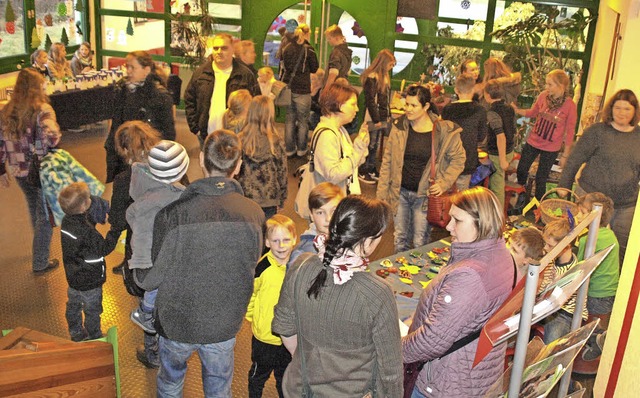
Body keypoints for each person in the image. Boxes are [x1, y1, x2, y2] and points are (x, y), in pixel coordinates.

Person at [140, 130, 265, 397]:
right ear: (239, 165)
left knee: (171, 383)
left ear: (200, 160)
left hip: (177, 323)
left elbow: (155, 270)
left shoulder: (172, 215)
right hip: (223, 323)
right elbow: (252, 261)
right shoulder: (254, 214)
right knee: (219, 389)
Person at [272, 196, 403, 397]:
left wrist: (310, 362)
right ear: (367, 241)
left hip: (300, 387)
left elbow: (284, 327)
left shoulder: (301, 265)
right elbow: (390, 370)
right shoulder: (377, 293)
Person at [403, 186, 515, 397]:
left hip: (444, 381)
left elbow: (431, 341)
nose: (448, 226)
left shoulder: (470, 275)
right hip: (472, 375)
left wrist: (394, 349)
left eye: (458, 220)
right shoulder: (501, 253)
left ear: (481, 222)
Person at [376, 84, 465, 253]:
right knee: (399, 239)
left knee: (419, 242)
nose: (408, 109)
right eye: (407, 104)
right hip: (400, 192)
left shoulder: (442, 130)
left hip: (425, 197)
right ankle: (397, 277)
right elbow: (387, 161)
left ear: (425, 106)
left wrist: (443, 183)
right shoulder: (399, 126)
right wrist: (381, 195)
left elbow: (459, 160)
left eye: (413, 105)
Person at [126, 140, 189, 368]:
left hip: (151, 265)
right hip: (161, 266)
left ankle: (152, 355)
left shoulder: (143, 193)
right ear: (183, 170)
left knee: (152, 313)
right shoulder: (181, 198)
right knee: (158, 308)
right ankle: (166, 355)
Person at [558, 89, 640, 265]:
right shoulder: (597, 132)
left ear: (635, 111)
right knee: (581, 242)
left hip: (625, 205)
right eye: (618, 108)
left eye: (627, 109)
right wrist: (564, 187)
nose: (622, 113)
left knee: (620, 248)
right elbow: (574, 159)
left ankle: (612, 287)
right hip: (589, 199)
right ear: (611, 109)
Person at [0, 68, 61, 274]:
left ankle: (39, 246)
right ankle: (40, 261)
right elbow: (52, 138)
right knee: (45, 216)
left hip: (19, 172)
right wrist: (53, 131)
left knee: (33, 207)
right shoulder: (42, 110)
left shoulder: (6, 110)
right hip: (39, 171)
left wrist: (2, 169)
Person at [58, 182, 119, 341]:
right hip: (91, 280)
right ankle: (94, 335)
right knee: (92, 310)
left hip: (73, 277)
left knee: (73, 306)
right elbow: (104, 248)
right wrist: (115, 231)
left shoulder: (66, 222)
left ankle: (76, 332)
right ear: (83, 207)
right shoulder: (87, 232)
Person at [104, 50, 176, 183]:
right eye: (127, 66)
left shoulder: (160, 96)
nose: (128, 71)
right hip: (121, 153)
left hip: (144, 156)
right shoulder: (121, 90)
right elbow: (115, 122)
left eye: (133, 67)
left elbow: (168, 132)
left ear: (146, 70)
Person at [246, 214, 297, 398]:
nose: (281, 245)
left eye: (286, 240)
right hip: (264, 337)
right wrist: (254, 317)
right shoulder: (261, 267)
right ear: (267, 242)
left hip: (288, 337)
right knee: (259, 374)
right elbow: (250, 294)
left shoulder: (297, 267)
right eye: (275, 241)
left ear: (294, 240)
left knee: (284, 375)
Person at [184, 33, 260, 146]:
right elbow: (189, 99)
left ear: (232, 50)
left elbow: (256, 103)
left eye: (224, 48)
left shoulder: (245, 75)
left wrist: (248, 130)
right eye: (215, 48)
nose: (219, 51)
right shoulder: (201, 73)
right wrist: (196, 128)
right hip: (206, 135)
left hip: (236, 137)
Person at [513, 69, 577, 202]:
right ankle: (522, 196)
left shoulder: (570, 105)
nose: (546, 87)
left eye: (550, 84)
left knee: (541, 178)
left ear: (561, 86)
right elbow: (532, 112)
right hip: (533, 141)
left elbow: (570, 131)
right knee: (522, 169)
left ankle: (537, 207)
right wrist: (517, 110)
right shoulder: (543, 96)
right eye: (546, 84)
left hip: (551, 148)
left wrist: (565, 155)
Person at [108, 121, 161, 275]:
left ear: (125, 149)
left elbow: (118, 219)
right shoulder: (167, 165)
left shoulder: (125, 179)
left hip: (141, 242)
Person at [306, 83, 369, 200]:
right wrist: (357, 151)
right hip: (328, 206)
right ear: (339, 104)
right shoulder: (327, 135)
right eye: (353, 104)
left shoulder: (340, 130)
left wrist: (362, 145)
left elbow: (353, 164)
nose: (357, 109)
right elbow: (334, 175)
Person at [236, 96, 288, 219]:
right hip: (269, 199)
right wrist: (282, 198)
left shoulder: (239, 140)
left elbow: (234, 172)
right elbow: (282, 173)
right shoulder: (277, 142)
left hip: (245, 197)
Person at [540, 219, 583, 344]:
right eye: (545, 243)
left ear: (566, 247)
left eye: (550, 246)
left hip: (564, 312)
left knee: (552, 342)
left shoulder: (571, 271)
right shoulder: (551, 258)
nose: (545, 248)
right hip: (547, 307)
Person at [442, 73, 488, 190]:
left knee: (445, 192)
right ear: (473, 89)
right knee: (461, 196)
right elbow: (481, 137)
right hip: (468, 158)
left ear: (456, 90)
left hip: (448, 158)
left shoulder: (447, 109)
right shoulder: (480, 110)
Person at [358, 49, 396, 184]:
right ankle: (363, 169)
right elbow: (370, 100)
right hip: (374, 117)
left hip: (381, 116)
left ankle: (371, 167)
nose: (391, 68)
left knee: (376, 144)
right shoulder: (372, 77)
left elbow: (384, 100)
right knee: (370, 143)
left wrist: (387, 116)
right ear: (384, 63)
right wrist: (377, 119)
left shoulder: (383, 77)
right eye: (390, 65)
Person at [281, 23, 319, 157]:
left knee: (289, 119)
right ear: (305, 34)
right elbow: (314, 68)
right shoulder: (309, 50)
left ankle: (289, 149)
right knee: (303, 121)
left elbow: (285, 65)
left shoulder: (287, 48)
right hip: (303, 89)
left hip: (289, 88)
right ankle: (301, 149)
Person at [289, 182, 344, 265]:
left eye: (334, 211)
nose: (328, 219)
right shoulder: (303, 255)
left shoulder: (350, 241)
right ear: (311, 216)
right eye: (320, 212)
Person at [484, 80, 517, 208]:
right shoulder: (509, 108)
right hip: (509, 150)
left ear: (487, 95)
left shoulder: (492, 113)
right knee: (499, 183)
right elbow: (513, 129)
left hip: (498, 154)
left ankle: (498, 218)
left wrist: (502, 160)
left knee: (497, 187)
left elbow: (500, 136)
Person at [323, 24, 352, 91]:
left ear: (337, 38)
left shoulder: (336, 53)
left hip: (334, 88)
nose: (328, 41)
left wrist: (326, 90)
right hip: (344, 87)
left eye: (329, 38)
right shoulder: (347, 52)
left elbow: (333, 74)